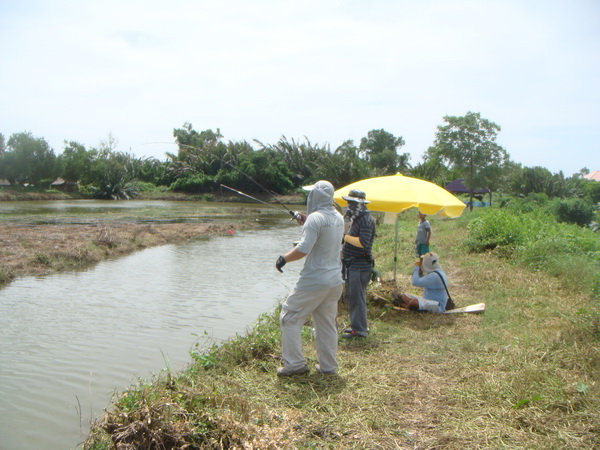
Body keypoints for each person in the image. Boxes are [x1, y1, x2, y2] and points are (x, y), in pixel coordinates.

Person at [274, 180, 344, 376]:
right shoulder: (338, 216)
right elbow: (324, 235)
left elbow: (303, 249)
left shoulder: (315, 219)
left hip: (315, 280)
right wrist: (307, 222)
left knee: (289, 316)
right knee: (326, 323)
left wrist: (283, 258)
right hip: (334, 281)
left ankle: (294, 365)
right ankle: (328, 367)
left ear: (315, 196)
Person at [341, 189, 376, 338]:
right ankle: (356, 326)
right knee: (354, 297)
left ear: (360, 204)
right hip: (353, 266)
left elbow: (363, 243)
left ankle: (360, 330)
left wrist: (345, 237)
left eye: (351, 203)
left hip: (359, 266)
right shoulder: (358, 218)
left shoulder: (366, 220)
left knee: (357, 298)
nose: (348, 206)